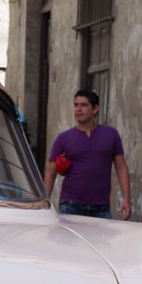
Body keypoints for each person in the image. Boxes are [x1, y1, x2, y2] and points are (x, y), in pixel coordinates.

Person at [43, 89, 130, 220]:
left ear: (95, 109)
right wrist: (45, 202)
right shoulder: (63, 138)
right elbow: (51, 172)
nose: (78, 109)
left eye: (84, 105)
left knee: (100, 241)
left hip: (101, 206)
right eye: (76, 105)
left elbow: (121, 167)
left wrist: (126, 198)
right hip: (71, 204)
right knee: (67, 241)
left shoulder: (111, 135)